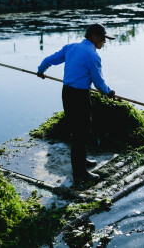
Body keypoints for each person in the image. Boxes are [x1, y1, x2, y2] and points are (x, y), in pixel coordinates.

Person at [37, 23, 115, 182]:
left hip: (67, 93)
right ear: (93, 37)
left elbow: (49, 60)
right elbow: (98, 83)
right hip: (79, 96)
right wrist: (109, 92)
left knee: (77, 130)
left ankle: (82, 161)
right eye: (102, 38)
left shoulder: (71, 47)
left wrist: (41, 70)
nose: (104, 42)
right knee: (82, 133)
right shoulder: (92, 56)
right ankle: (79, 173)